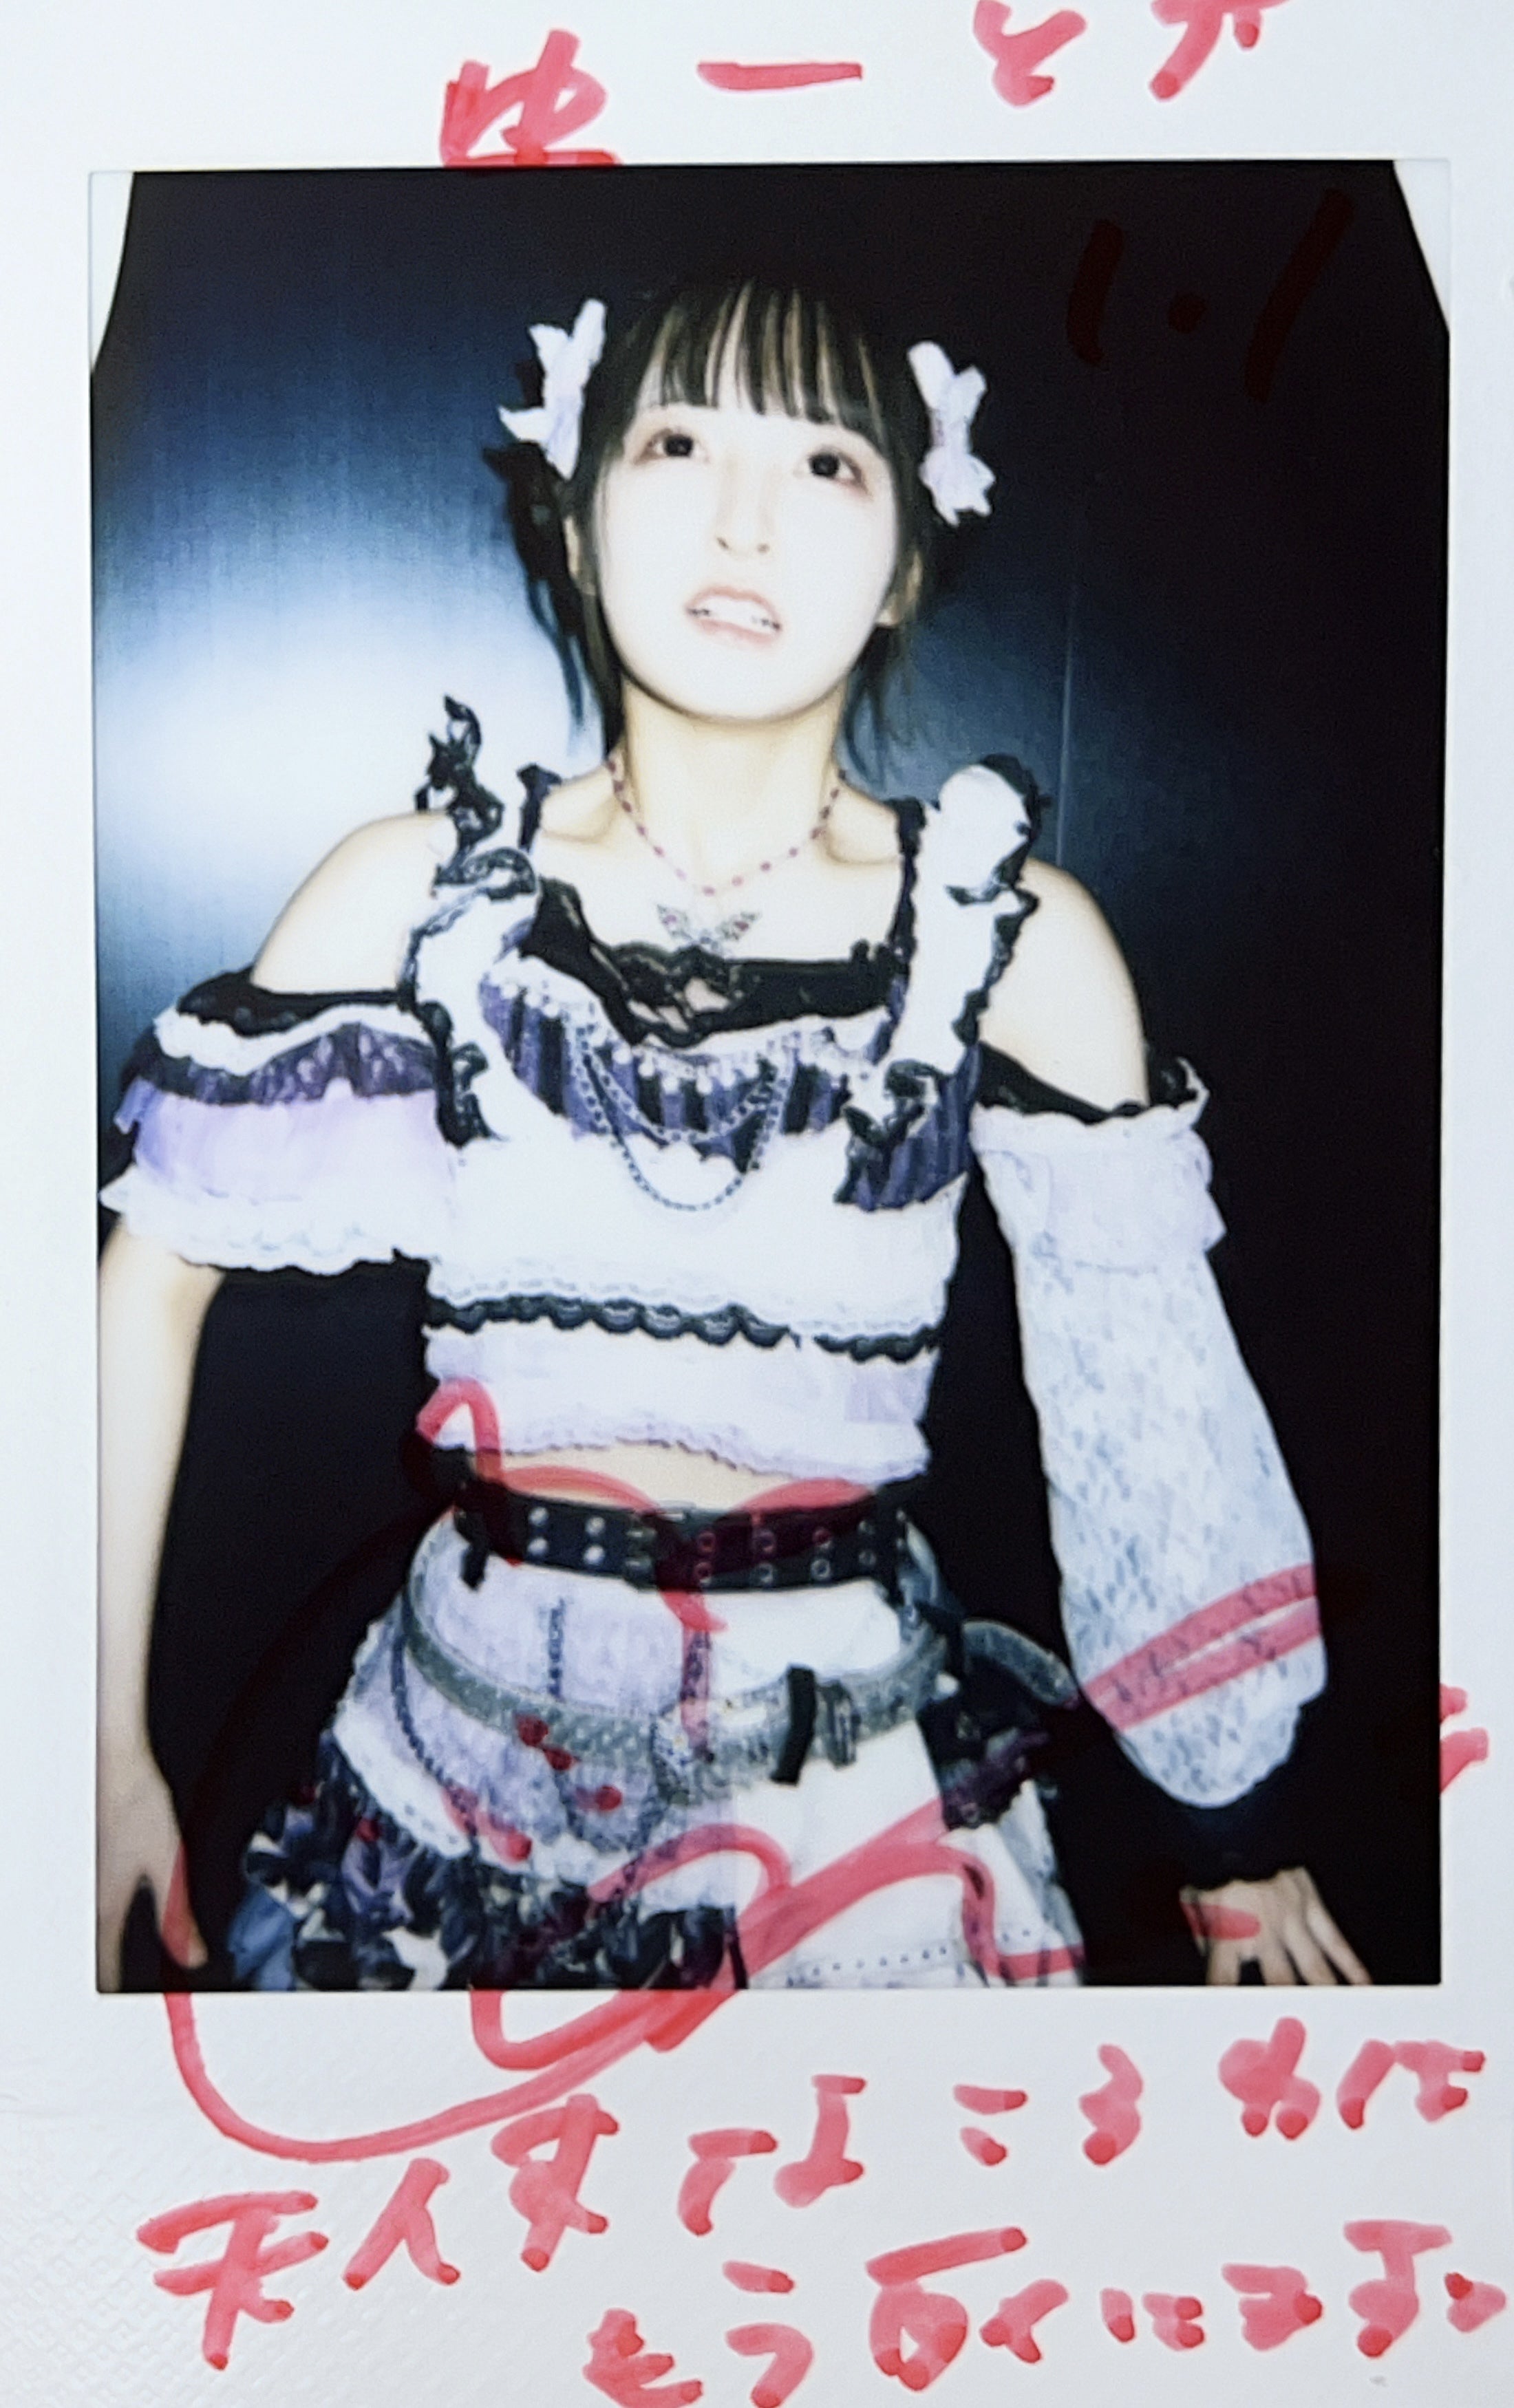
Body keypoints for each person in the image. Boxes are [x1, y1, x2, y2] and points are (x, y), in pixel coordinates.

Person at [97, 274, 1368, 1992]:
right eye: (679, 443)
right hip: (449, 1783)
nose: (743, 520)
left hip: (850, 1833)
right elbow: (148, 1283)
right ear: (576, 518)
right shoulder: (420, 894)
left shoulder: (1010, 940)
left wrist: (1231, 1825)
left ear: (906, 558)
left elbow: (1146, 1400)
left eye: (827, 464)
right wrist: (91, 1747)